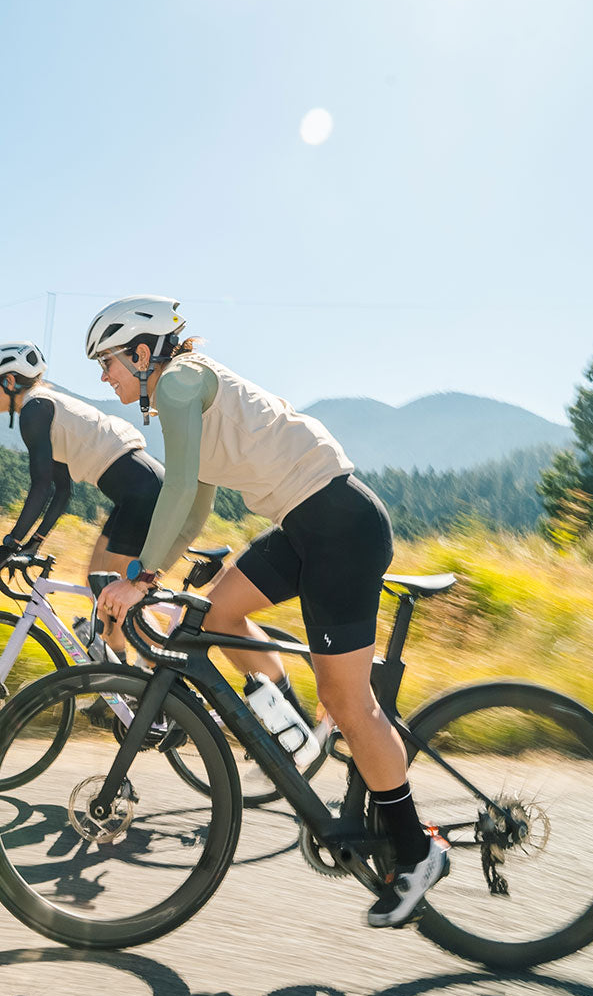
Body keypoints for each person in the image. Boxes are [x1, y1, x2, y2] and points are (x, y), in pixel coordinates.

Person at [88, 295, 448, 928]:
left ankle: (417, 852)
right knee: (219, 611)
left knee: (349, 702)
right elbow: (194, 502)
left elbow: (175, 492)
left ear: (144, 353)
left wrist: (142, 576)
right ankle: (288, 730)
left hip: (337, 523)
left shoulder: (175, 381)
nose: (104, 376)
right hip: (303, 522)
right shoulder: (181, 392)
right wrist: (154, 572)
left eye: (109, 361)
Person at [0, 341, 164, 657]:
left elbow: (41, 486)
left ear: (9, 381)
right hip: (135, 491)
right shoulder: (45, 408)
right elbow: (61, 491)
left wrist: (9, 544)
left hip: (141, 490)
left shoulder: (35, 409)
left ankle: (140, 683)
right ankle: (131, 679)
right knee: (98, 580)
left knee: (114, 594)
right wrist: (33, 542)